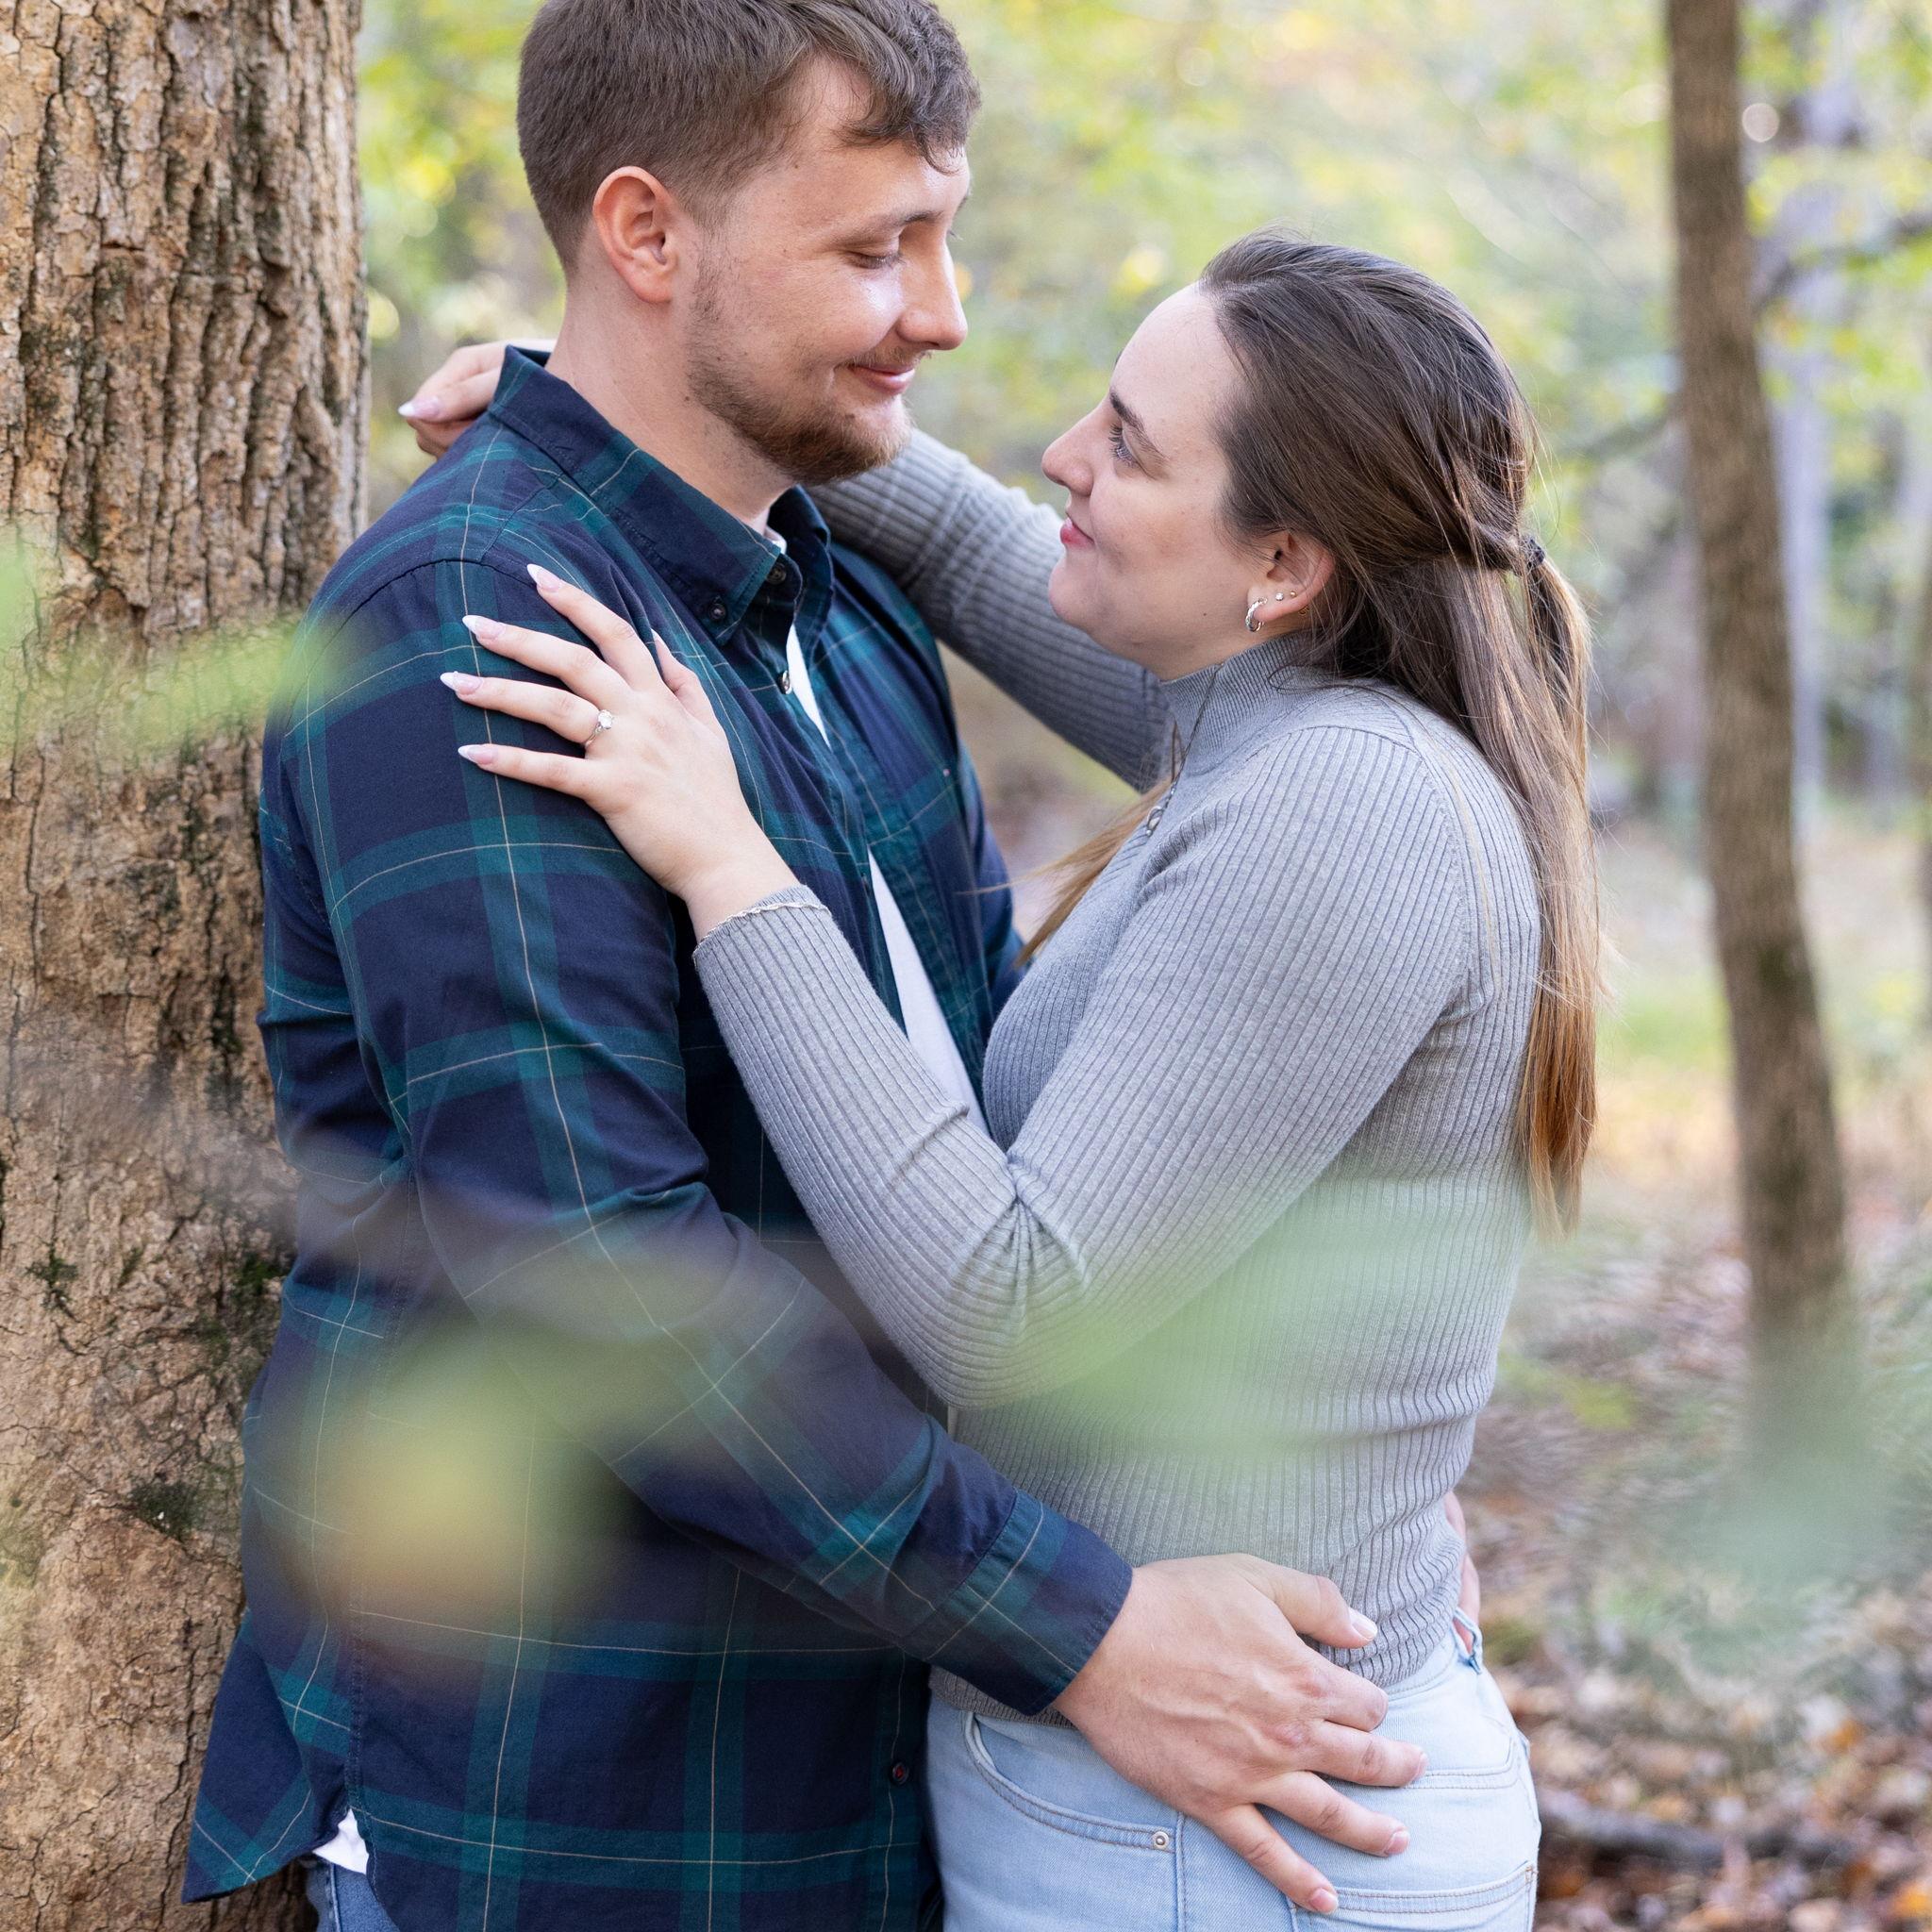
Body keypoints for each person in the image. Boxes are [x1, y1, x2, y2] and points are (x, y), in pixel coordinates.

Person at [183, 7, 1431, 1931]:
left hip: (868, 1746)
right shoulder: (478, 630)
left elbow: (941, 1154)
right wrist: (1087, 1630)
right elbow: (601, 1276)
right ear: (645, 235)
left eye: (939, 234)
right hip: (586, 1788)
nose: (938, 314)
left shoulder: (843, 609)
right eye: (872, 247)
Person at [409, 222, 1597, 1932]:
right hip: (1180, 1794)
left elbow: (1006, 1304)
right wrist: (625, 400)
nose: (1066, 456)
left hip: (1219, 1827)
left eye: (1130, 444)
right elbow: (986, 555)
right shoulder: (1282, 716)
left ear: (1282, 565)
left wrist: (727, 858)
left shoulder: (1345, 804)